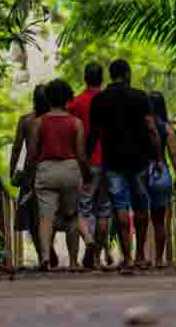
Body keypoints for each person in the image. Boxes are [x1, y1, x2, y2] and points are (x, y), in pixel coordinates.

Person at [88, 59, 163, 268]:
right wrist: (158, 158)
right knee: (141, 205)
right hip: (139, 161)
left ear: (111, 76)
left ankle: (128, 258)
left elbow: (93, 133)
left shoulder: (100, 100)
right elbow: (151, 127)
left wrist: (85, 160)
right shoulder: (140, 96)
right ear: (128, 74)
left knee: (120, 206)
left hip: (112, 162)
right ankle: (139, 255)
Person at [27, 79, 91, 270]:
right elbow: (81, 154)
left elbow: (31, 154)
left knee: (45, 217)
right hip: (70, 170)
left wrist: (29, 176)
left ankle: (45, 257)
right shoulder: (76, 123)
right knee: (71, 216)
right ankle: (72, 262)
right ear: (68, 98)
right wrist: (86, 174)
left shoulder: (39, 122)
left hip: (46, 171)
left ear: (48, 98)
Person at [67, 62, 112, 269]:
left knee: (83, 210)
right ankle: (96, 257)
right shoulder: (110, 101)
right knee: (103, 211)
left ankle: (89, 243)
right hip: (109, 161)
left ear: (85, 78)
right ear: (102, 78)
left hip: (86, 162)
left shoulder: (74, 104)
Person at [10, 85, 59, 268]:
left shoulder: (26, 121)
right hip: (50, 169)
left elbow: (16, 148)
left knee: (32, 216)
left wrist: (12, 171)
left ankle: (42, 254)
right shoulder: (55, 120)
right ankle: (47, 248)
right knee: (48, 212)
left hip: (30, 174)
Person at [147, 91, 176, 267]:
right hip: (161, 174)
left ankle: (138, 257)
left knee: (140, 217)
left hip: (141, 173)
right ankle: (160, 260)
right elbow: (174, 155)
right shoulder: (167, 128)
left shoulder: (141, 126)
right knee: (159, 221)